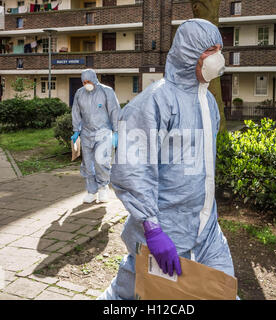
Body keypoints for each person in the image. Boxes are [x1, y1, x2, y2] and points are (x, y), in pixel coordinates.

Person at [97, 19, 237, 300]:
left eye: (220, 49)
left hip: (206, 229)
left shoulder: (208, 102)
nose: (218, 57)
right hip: (164, 230)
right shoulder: (154, 102)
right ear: (189, 53)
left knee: (222, 290)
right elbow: (132, 170)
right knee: (137, 293)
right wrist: (152, 228)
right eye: (210, 50)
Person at [71, 69, 120, 203]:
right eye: (84, 82)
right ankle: (91, 191)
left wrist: (116, 132)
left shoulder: (106, 91)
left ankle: (103, 188)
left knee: (102, 162)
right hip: (86, 133)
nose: (87, 84)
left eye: (89, 81)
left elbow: (114, 111)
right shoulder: (80, 93)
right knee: (87, 164)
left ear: (95, 79)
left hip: (103, 132)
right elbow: (75, 111)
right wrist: (76, 130)